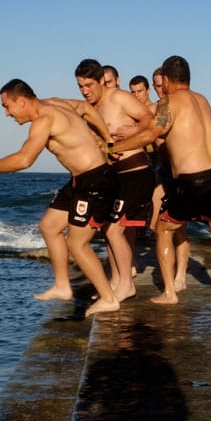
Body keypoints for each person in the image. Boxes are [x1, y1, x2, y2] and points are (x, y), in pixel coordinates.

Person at [111, 55, 211, 311]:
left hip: (195, 180)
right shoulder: (202, 100)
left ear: (168, 81)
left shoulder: (169, 103)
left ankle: (170, 293)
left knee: (163, 229)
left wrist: (113, 147)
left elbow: (152, 133)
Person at [0, 78, 120, 317]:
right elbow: (88, 109)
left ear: (21, 101)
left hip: (96, 181)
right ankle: (62, 286)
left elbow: (24, 160)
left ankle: (109, 298)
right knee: (49, 226)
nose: (7, 114)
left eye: (7, 107)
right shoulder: (57, 103)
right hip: (80, 180)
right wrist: (108, 140)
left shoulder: (43, 120)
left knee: (77, 243)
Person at [75, 59, 156, 302]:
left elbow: (151, 122)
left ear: (101, 80)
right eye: (80, 86)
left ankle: (126, 285)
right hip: (114, 177)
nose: (85, 91)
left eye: (89, 85)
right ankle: (116, 282)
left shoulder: (119, 98)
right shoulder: (92, 109)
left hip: (136, 173)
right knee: (109, 230)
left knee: (114, 230)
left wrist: (131, 134)